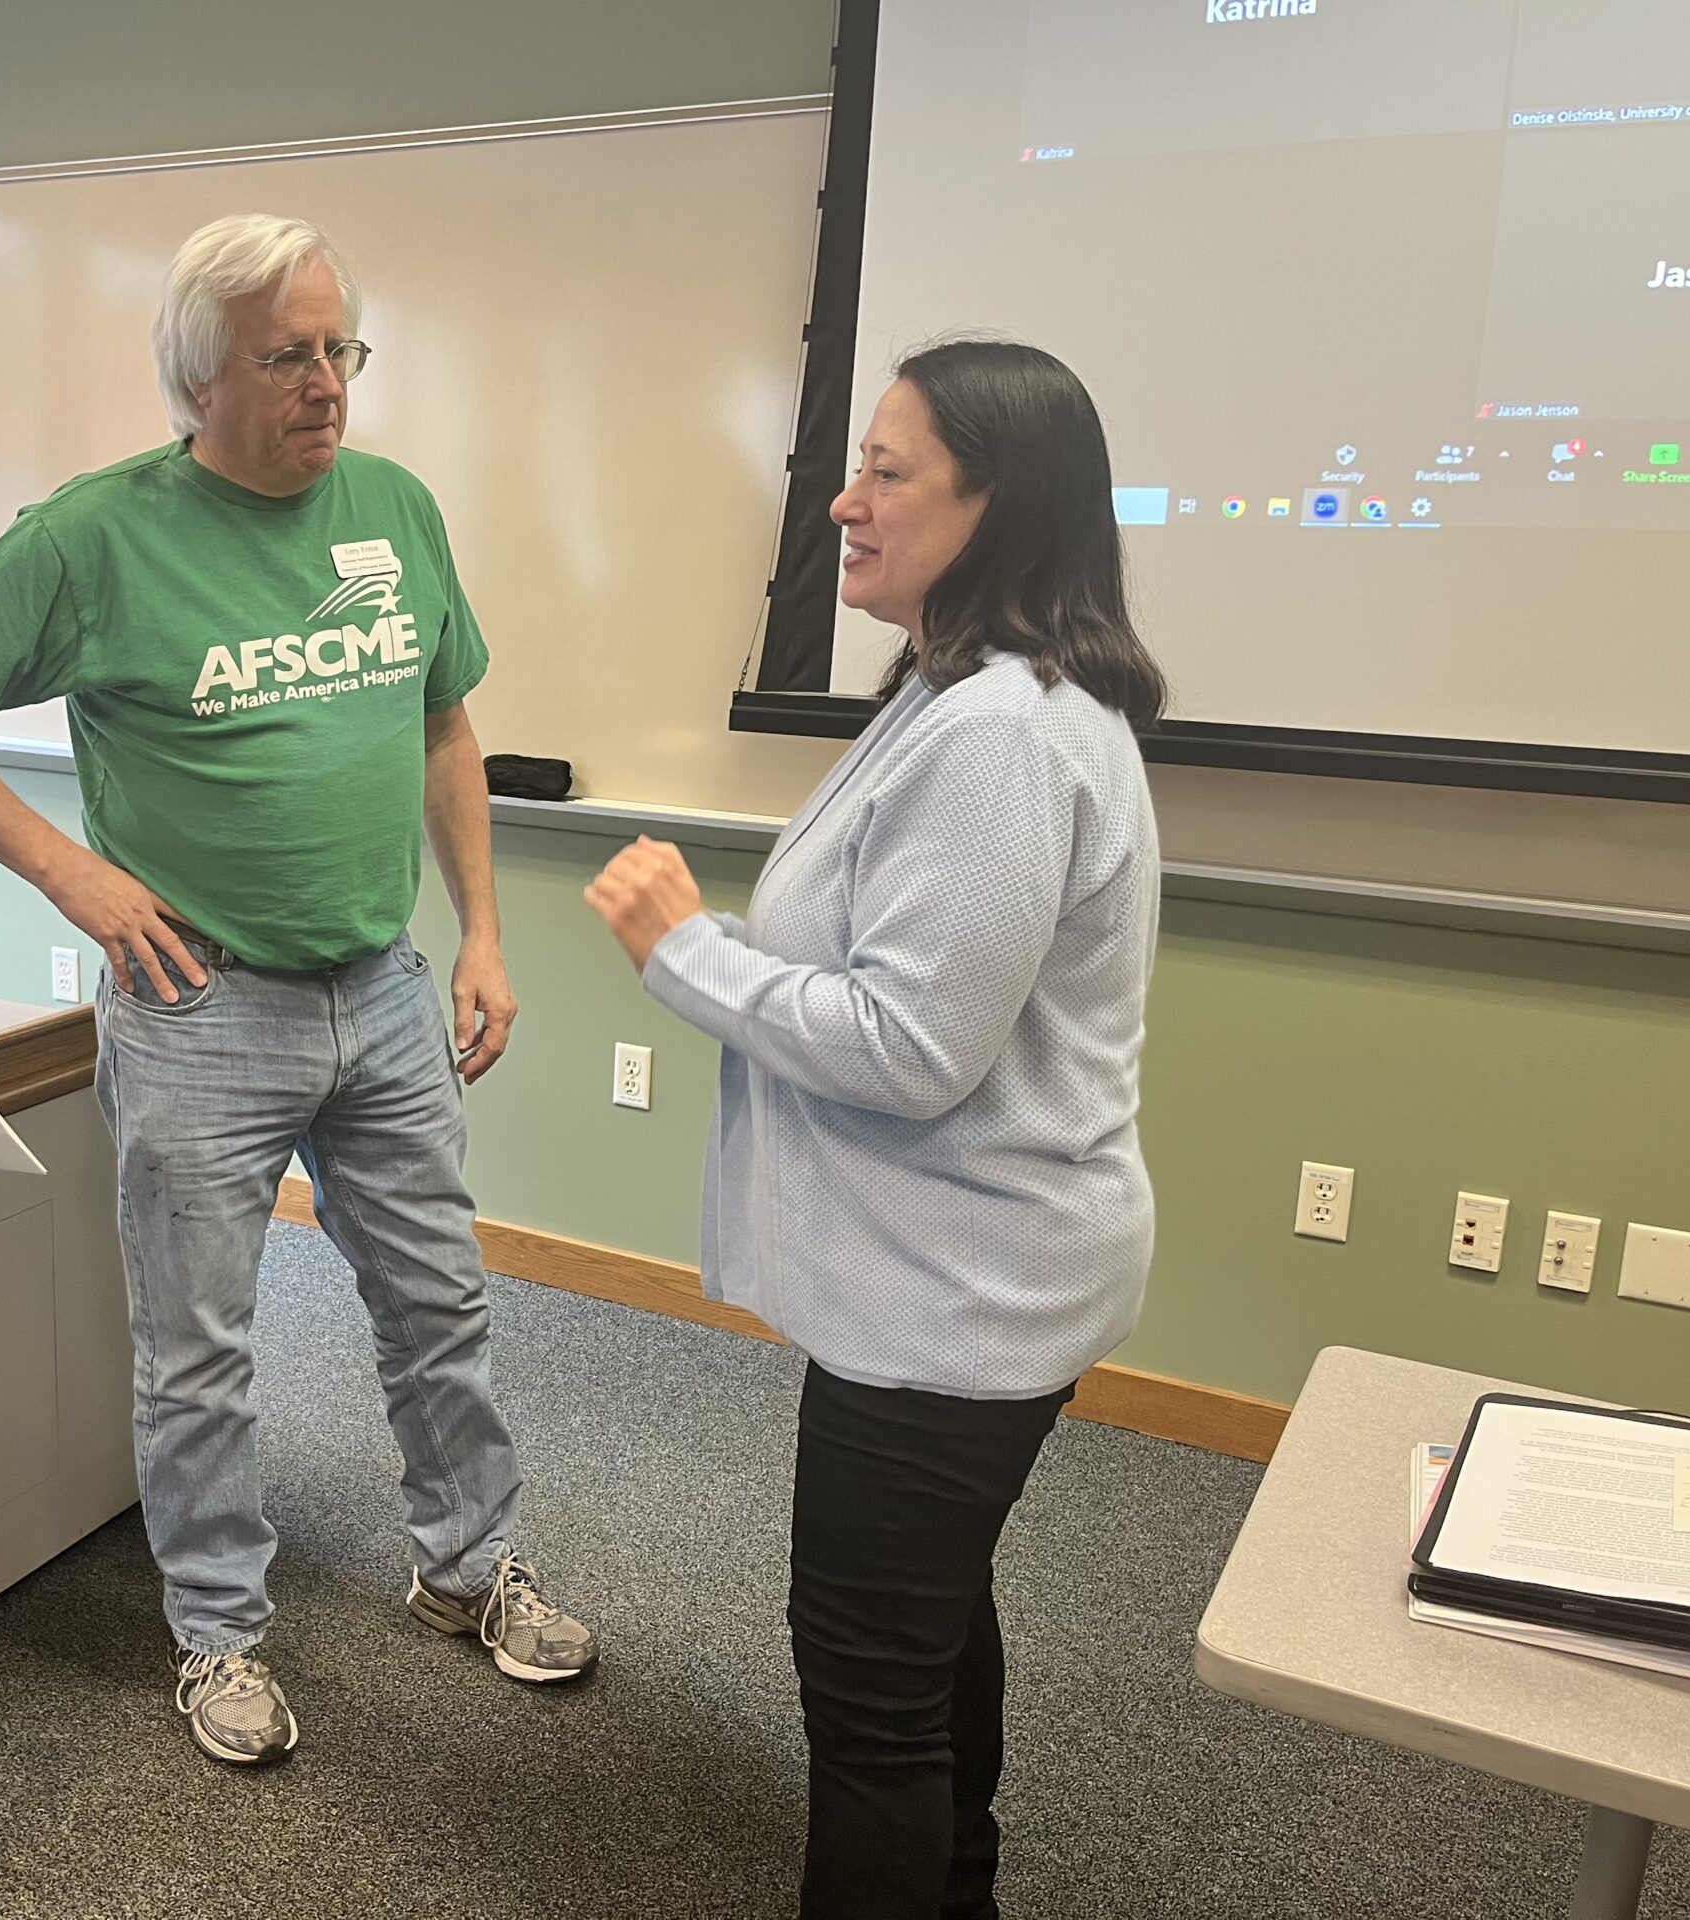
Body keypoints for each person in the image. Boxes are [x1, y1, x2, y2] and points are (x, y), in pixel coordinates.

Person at [0, 213, 596, 1765]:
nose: (327, 385)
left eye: (339, 350)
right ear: (200, 380)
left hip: (382, 991)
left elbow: (445, 725)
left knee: (439, 1305)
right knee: (199, 1351)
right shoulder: (94, 537)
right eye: (287, 357)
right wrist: (71, 875)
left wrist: (484, 934)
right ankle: (219, 1634)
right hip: (201, 1010)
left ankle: (467, 1569)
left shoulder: (394, 505)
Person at [586, 340, 1166, 1920]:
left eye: (888, 472)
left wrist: (682, 953)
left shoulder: (1002, 738)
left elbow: (911, 1049)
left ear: (999, 506)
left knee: (870, 1695)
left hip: (956, 1301)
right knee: (922, 1628)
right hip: (958, 1280)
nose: (843, 503)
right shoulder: (951, 695)